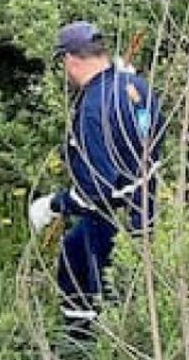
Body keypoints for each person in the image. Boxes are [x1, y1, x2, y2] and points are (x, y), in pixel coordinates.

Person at [29, 20, 165, 341]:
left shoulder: (92, 108)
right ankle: (85, 342)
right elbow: (155, 138)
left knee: (102, 291)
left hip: (111, 219)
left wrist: (54, 205)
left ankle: (86, 351)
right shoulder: (137, 86)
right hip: (144, 211)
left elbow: (96, 189)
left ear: (70, 60)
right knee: (75, 254)